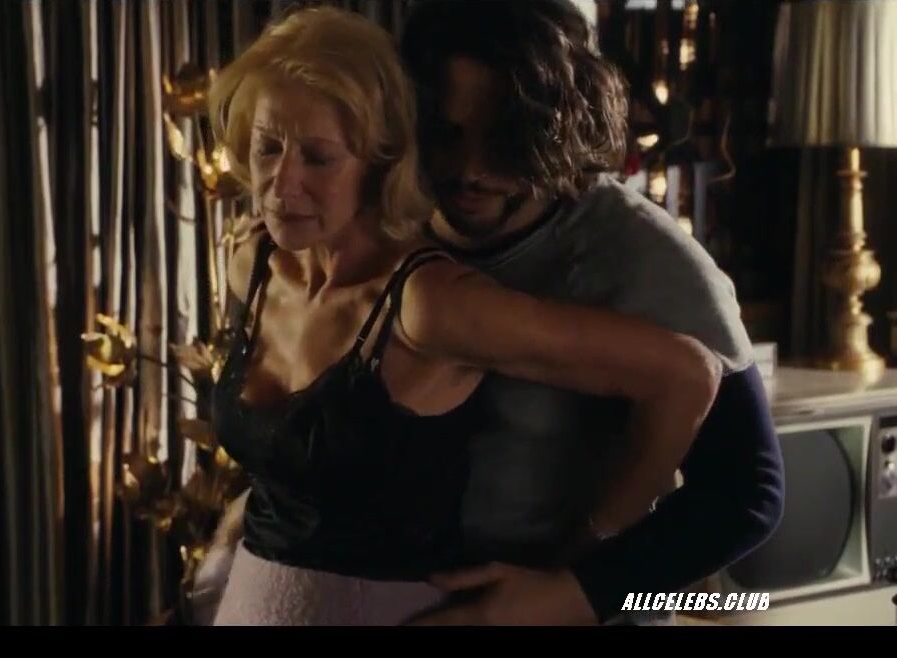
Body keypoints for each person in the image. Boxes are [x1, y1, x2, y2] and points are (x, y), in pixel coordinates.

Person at [201, 5, 721, 626]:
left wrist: (584, 564)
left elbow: (692, 384)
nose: (281, 184)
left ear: (382, 161)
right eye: (267, 147)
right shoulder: (253, 262)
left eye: (318, 157)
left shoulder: (431, 301)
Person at [395, 0, 786, 626]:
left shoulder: (641, 254)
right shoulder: (388, 225)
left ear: (556, 126)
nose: (469, 171)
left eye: (504, 138)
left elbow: (746, 496)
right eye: (446, 134)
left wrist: (575, 591)